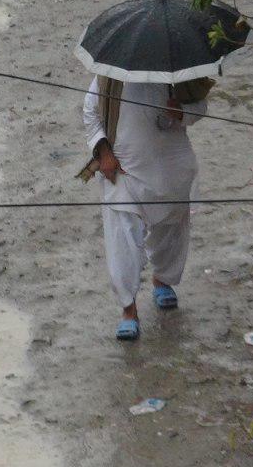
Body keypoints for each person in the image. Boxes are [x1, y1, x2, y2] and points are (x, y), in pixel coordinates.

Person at [81, 76, 209, 340]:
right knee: (122, 240)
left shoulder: (179, 72)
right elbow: (90, 112)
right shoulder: (109, 77)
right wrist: (104, 152)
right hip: (125, 166)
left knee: (170, 228)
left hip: (172, 165)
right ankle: (129, 310)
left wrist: (182, 112)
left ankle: (162, 280)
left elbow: (200, 107)